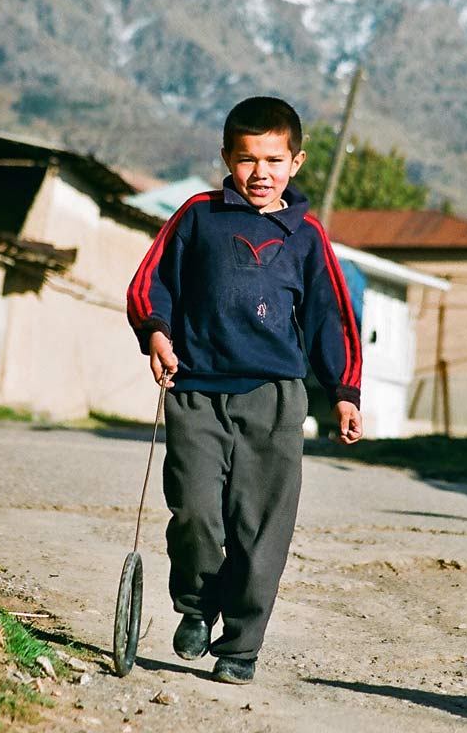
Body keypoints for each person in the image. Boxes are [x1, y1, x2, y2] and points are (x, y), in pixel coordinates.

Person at [126, 96, 362, 684]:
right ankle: (197, 606)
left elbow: (333, 317)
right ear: (227, 158)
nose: (261, 172)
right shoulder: (198, 217)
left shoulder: (306, 236)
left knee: (261, 528)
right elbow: (149, 283)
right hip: (196, 391)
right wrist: (155, 332)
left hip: (275, 399)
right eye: (248, 159)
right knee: (197, 515)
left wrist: (344, 391)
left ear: (297, 162)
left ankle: (241, 646)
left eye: (274, 160)